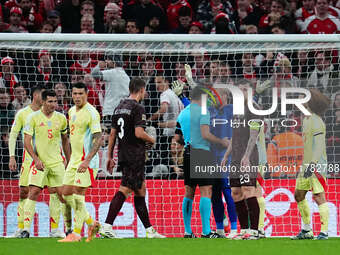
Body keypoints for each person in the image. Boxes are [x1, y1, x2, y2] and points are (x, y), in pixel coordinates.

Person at [100, 77, 165, 238]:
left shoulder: (119, 107)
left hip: (123, 153)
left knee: (140, 189)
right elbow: (139, 133)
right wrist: (152, 140)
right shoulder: (138, 108)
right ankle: (107, 226)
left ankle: (149, 230)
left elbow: (112, 134)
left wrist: (109, 156)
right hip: (135, 154)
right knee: (126, 188)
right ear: (141, 90)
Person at [175, 86, 228, 238]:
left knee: (189, 192)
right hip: (202, 152)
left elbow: (177, 138)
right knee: (206, 191)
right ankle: (206, 231)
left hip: (187, 152)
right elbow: (206, 134)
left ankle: (188, 231)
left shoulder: (183, 113)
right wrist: (221, 141)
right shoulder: (203, 111)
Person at [20, 89, 71, 238]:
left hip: (57, 163)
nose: (53, 104)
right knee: (34, 192)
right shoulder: (33, 118)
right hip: (40, 163)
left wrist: (69, 160)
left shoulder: (61, 118)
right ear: (43, 102)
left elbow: (65, 140)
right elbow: (27, 141)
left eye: (55, 101)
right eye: (50, 101)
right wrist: (36, 159)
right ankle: (26, 229)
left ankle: (55, 230)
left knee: (60, 195)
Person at [58, 82, 102, 242]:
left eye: (80, 94)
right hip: (74, 160)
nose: (77, 97)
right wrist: (68, 159)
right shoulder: (71, 111)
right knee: (65, 193)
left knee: (78, 195)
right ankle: (92, 223)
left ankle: (76, 234)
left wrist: (87, 160)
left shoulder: (92, 112)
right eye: (74, 94)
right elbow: (72, 138)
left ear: (86, 94)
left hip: (87, 162)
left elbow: (99, 139)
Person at [292, 89, 330, 240]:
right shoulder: (306, 119)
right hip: (306, 164)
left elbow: (320, 145)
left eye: (302, 98)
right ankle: (307, 230)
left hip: (316, 165)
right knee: (298, 195)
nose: (299, 100)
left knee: (319, 196)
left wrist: (312, 164)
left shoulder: (316, 120)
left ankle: (324, 232)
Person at [228, 79, 261, 240]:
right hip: (235, 158)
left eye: (245, 90)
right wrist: (227, 156)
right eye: (239, 90)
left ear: (251, 91)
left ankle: (254, 231)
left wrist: (247, 156)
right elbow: (234, 138)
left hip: (248, 157)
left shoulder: (254, 109)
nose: (241, 93)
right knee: (236, 193)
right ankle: (244, 229)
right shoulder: (237, 110)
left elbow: (254, 135)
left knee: (248, 190)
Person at [8, 86, 43, 237]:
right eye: (43, 95)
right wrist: (12, 156)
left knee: (57, 192)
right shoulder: (22, 113)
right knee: (24, 191)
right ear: (35, 95)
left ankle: (57, 228)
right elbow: (13, 134)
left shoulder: (49, 113)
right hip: (28, 158)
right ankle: (21, 228)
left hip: (48, 158)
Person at [210, 87, 237, 238]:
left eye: (217, 94)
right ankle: (220, 228)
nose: (214, 97)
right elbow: (193, 106)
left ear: (225, 95)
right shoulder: (210, 111)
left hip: (227, 157)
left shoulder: (232, 110)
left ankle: (234, 228)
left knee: (228, 191)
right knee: (214, 193)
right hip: (211, 157)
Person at [91, 52, 130, 128]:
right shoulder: (126, 76)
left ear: (114, 61)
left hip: (110, 111)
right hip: (123, 111)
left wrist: (98, 66)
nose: (106, 61)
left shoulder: (112, 73)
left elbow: (94, 74)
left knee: (110, 136)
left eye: (108, 59)